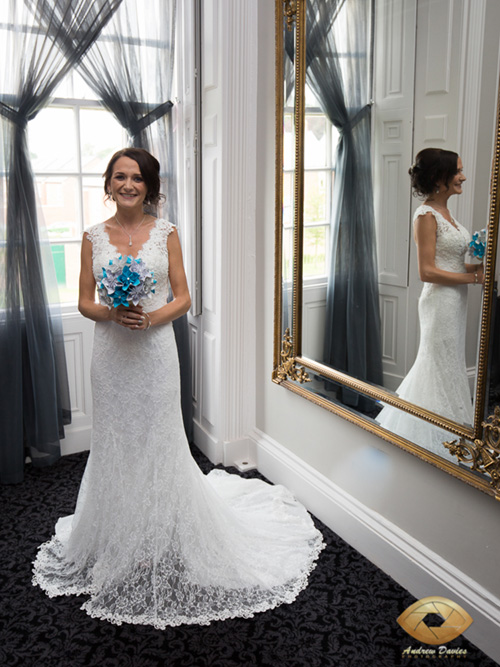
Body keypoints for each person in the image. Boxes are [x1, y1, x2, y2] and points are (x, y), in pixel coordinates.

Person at [32, 148, 324, 628]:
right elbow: (85, 301)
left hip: (154, 353)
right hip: (110, 354)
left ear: (150, 186)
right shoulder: (91, 237)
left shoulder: (166, 234)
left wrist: (147, 318)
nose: (128, 184)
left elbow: (183, 298)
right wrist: (112, 313)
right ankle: (118, 530)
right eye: (120, 177)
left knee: (159, 438)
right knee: (117, 440)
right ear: (109, 183)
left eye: (138, 178)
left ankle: (163, 530)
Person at [376, 148, 484, 460]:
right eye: (458, 171)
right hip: (439, 304)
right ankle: (431, 442)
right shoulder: (426, 215)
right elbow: (427, 271)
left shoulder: (448, 213)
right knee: (436, 365)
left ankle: (447, 439)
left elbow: (450, 263)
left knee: (447, 364)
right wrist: (472, 280)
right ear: (440, 178)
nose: (463, 176)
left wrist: (476, 265)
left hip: (455, 303)